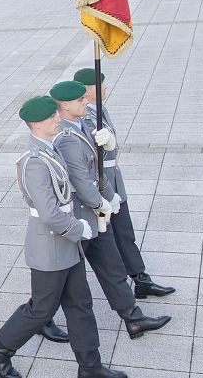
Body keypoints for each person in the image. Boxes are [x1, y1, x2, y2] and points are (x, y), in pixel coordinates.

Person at [0, 96, 124, 378]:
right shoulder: (33, 161)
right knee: (41, 309)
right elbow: (48, 213)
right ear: (36, 124)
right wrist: (79, 229)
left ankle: (90, 367)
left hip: (67, 244)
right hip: (50, 246)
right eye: (51, 118)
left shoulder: (50, 149)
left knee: (80, 305)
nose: (57, 118)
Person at [49, 81, 171, 339]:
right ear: (66, 105)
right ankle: (38, 318)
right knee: (58, 280)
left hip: (95, 217)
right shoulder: (68, 138)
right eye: (81, 100)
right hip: (81, 220)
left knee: (112, 267)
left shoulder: (82, 125)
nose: (86, 103)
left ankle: (133, 318)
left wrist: (109, 196)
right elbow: (82, 180)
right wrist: (101, 202)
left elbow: (99, 167)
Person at [73, 69, 174, 299]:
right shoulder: (85, 117)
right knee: (79, 252)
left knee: (124, 232)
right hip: (99, 185)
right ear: (85, 90)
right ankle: (42, 307)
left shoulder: (99, 109)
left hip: (112, 181)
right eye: (100, 85)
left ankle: (140, 278)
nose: (105, 88)